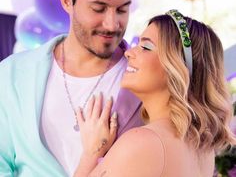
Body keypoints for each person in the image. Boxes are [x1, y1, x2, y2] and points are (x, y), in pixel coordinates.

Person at [0, 0, 144, 176]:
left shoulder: (144, 82)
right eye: (99, 8)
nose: (112, 24)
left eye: (121, 10)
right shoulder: (12, 74)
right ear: (67, 0)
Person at [73, 10, 236, 177]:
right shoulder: (202, 150)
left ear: (177, 66)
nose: (129, 52)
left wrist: (92, 152)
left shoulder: (143, 142)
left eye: (146, 47)